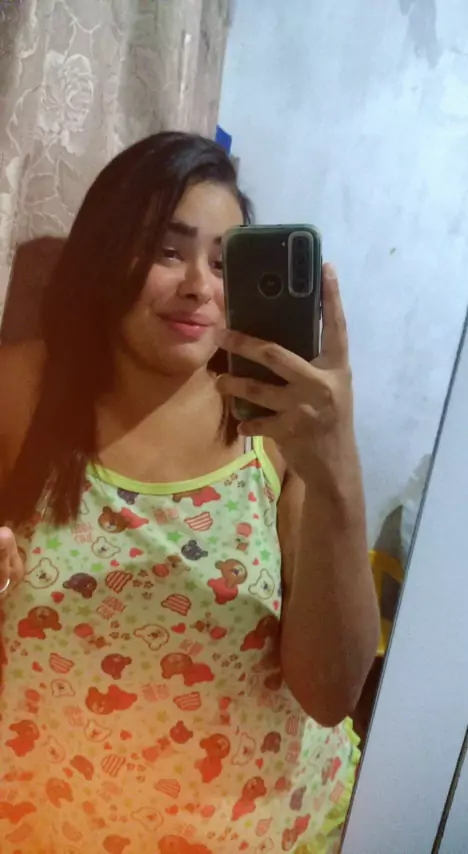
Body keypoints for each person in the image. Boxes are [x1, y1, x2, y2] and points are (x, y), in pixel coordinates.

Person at [0, 132, 380, 854]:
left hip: (258, 827)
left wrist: (337, 471)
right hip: (51, 822)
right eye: (168, 252)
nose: (201, 286)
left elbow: (331, 694)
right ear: (106, 255)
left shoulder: (277, 425)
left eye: (224, 261)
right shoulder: (23, 390)